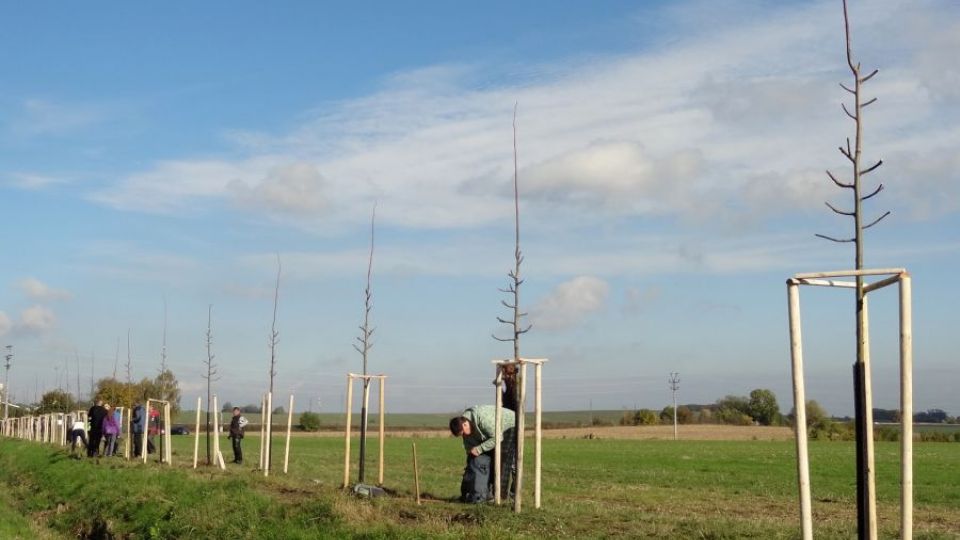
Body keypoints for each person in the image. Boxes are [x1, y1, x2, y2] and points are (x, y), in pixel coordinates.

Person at [449, 404, 516, 503]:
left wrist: (480, 449)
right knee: (481, 462)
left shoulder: (483, 419)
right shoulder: (466, 429)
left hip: (510, 426)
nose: (463, 436)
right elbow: (470, 448)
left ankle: (511, 496)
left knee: (506, 462)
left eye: (463, 433)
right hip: (491, 434)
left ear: (465, 424)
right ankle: (484, 495)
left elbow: (497, 437)